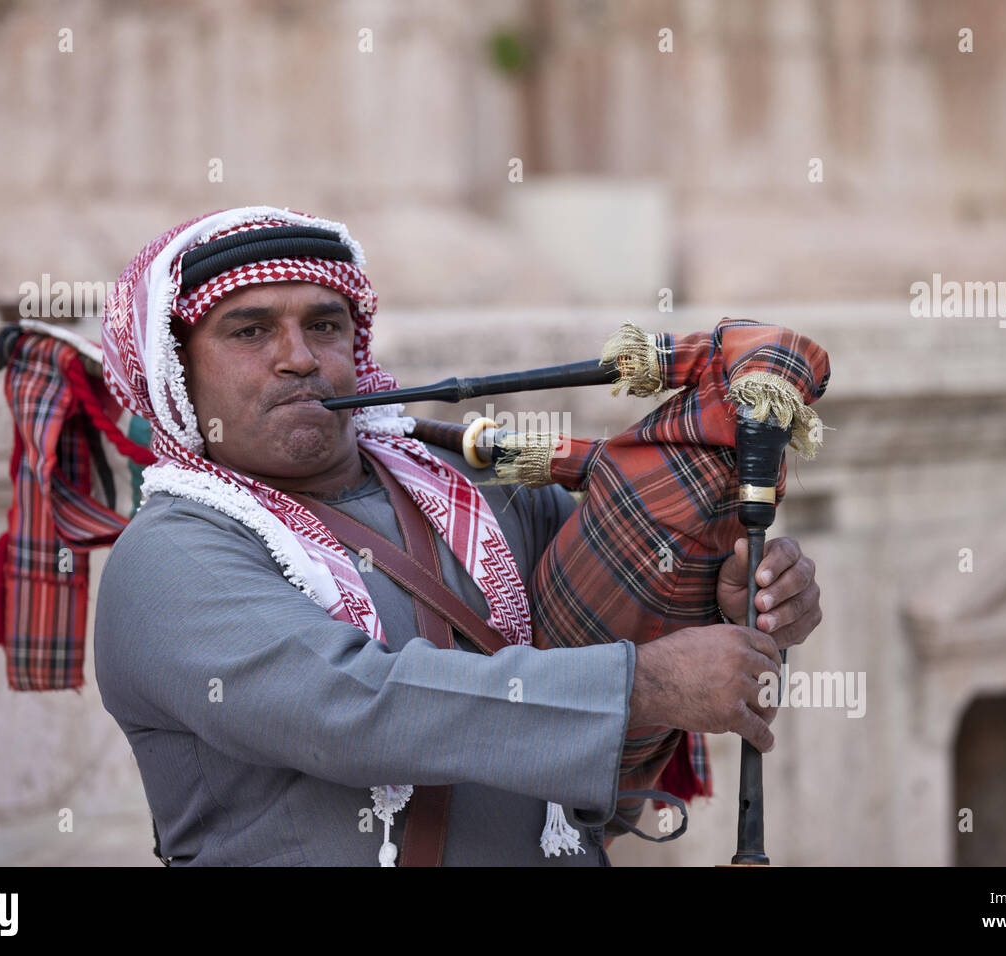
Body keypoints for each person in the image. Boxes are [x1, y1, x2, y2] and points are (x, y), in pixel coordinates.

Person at [93, 206, 823, 866]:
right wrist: (648, 685)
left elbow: (622, 614)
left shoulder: (478, 487)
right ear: (176, 373)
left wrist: (721, 600)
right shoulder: (171, 555)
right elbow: (351, 708)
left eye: (324, 325)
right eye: (250, 331)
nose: (301, 358)